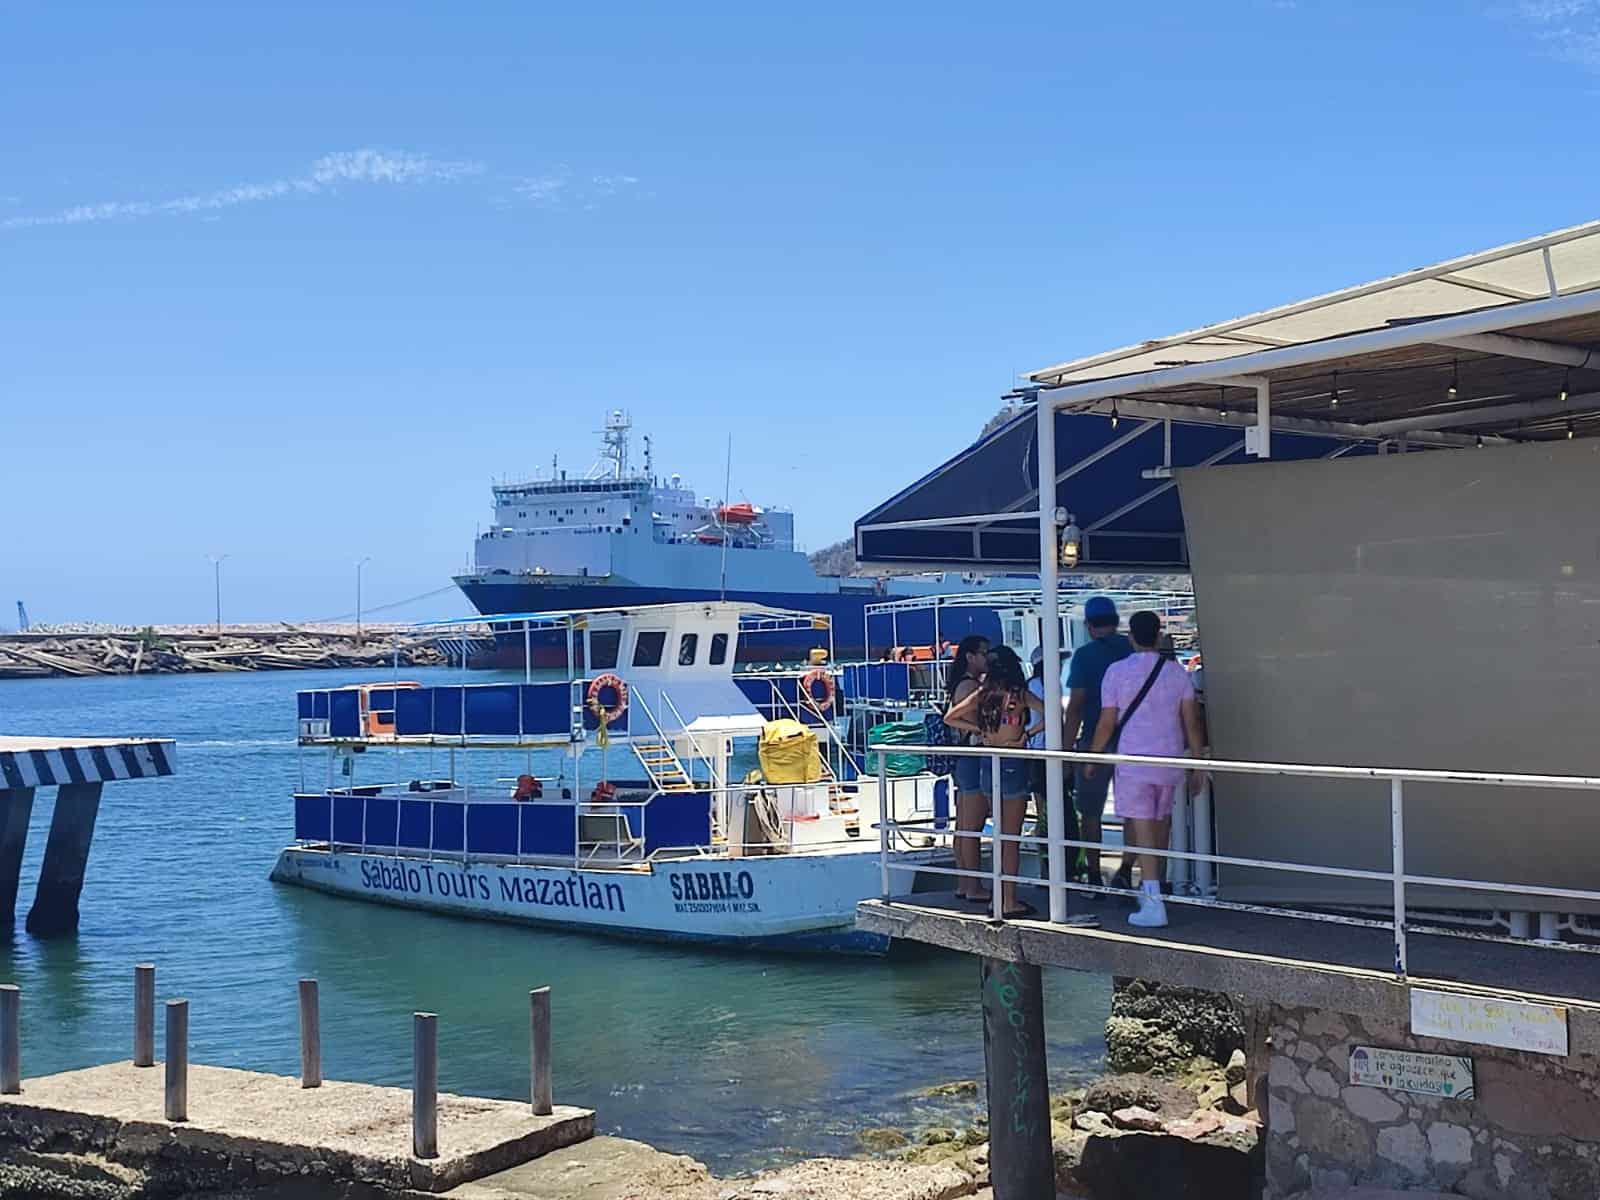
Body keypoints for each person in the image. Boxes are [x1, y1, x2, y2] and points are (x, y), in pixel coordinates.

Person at [1086, 610, 1207, 928]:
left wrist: (1093, 756)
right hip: (1169, 758)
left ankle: (1152, 901)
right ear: (1158, 636)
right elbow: (1191, 722)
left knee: (1141, 829)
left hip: (1134, 761)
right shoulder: (1177, 674)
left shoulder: (1117, 672)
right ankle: (1158, 887)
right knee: (1160, 825)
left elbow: (1107, 721)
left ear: (1131, 637)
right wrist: (1197, 764)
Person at [945, 645, 1044, 917]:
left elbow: (951, 717)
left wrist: (980, 730)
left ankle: (996, 897)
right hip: (1012, 759)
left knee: (998, 834)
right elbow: (1052, 714)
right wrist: (1026, 734)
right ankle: (1008, 900)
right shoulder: (1019, 694)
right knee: (1010, 838)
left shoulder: (983, 693)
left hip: (988, 760)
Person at [1062, 596, 1133, 885]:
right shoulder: (1131, 651)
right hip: (1133, 740)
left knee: (1090, 811)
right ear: (1116, 622)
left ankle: (1093, 873)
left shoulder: (1084, 656)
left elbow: (1076, 705)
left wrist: (1066, 753)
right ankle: (1127, 870)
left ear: (1089, 626)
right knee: (1133, 811)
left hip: (1094, 739)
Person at [942, 634, 991, 901]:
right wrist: (980, 730)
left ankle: (964, 884)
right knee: (972, 827)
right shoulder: (971, 686)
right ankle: (973, 887)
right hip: (972, 758)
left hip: (962, 760)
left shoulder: (958, 684)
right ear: (971, 657)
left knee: (963, 826)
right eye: (984, 653)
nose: (988, 658)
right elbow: (954, 719)